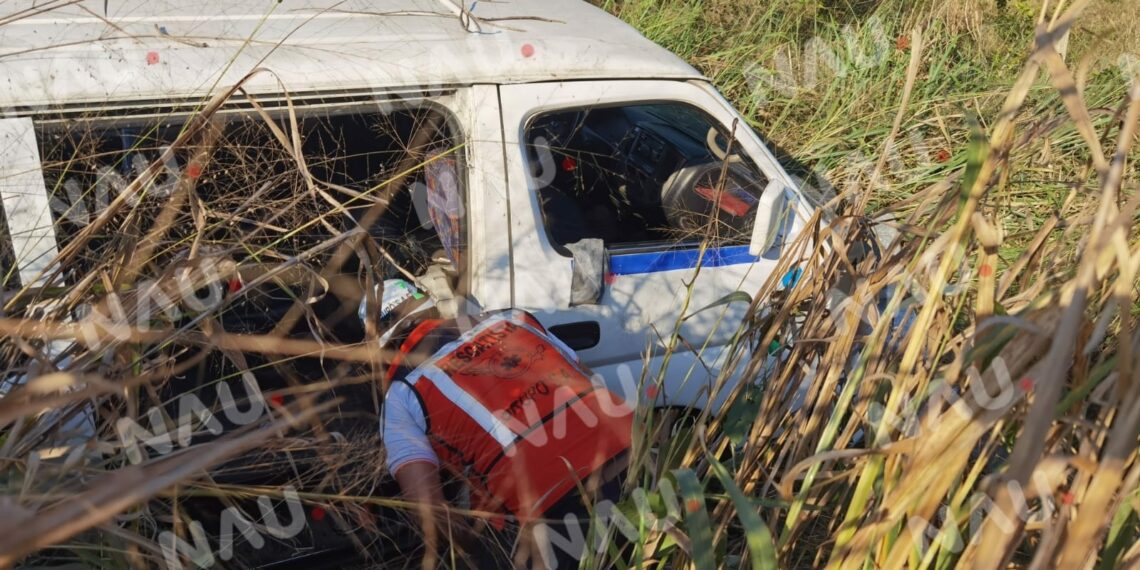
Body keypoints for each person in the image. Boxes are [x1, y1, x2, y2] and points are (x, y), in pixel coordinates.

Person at [372, 281, 633, 569]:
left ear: (381, 346)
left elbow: (430, 513)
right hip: (633, 448)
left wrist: (476, 552)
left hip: (550, 504)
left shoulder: (402, 393)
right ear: (432, 306)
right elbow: (588, 377)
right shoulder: (514, 318)